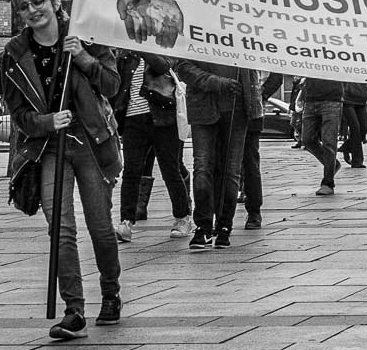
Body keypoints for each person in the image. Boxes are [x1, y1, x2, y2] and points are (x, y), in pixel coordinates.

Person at [0, 0, 123, 338]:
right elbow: (19, 115)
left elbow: (112, 85)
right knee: (61, 230)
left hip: (90, 142)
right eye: (24, 6)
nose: (32, 10)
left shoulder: (86, 33)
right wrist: (46, 121)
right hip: (49, 147)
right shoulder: (14, 54)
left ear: (54, 1)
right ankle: (74, 310)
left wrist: (82, 57)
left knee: (100, 226)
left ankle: (111, 294)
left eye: (38, 1)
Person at [174, 58, 263, 241]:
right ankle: (204, 225)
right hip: (204, 107)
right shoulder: (195, 32)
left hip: (238, 108)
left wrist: (256, 102)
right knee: (203, 168)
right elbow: (183, 67)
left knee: (230, 171)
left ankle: (224, 225)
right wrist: (217, 83)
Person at [110, 49, 190, 242]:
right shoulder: (125, 56)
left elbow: (164, 66)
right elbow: (116, 85)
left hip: (163, 118)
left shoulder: (161, 48)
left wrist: (144, 49)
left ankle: (182, 217)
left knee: (170, 168)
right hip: (132, 119)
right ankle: (126, 221)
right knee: (131, 171)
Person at [296, 75, 350, 197]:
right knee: (307, 139)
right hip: (310, 98)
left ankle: (328, 182)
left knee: (329, 141)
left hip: (332, 99)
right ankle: (332, 165)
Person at [338, 83, 367, 168]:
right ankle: (357, 161)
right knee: (355, 129)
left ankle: (346, 147)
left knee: (364, 128)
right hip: (347, 98)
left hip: (361, 98)